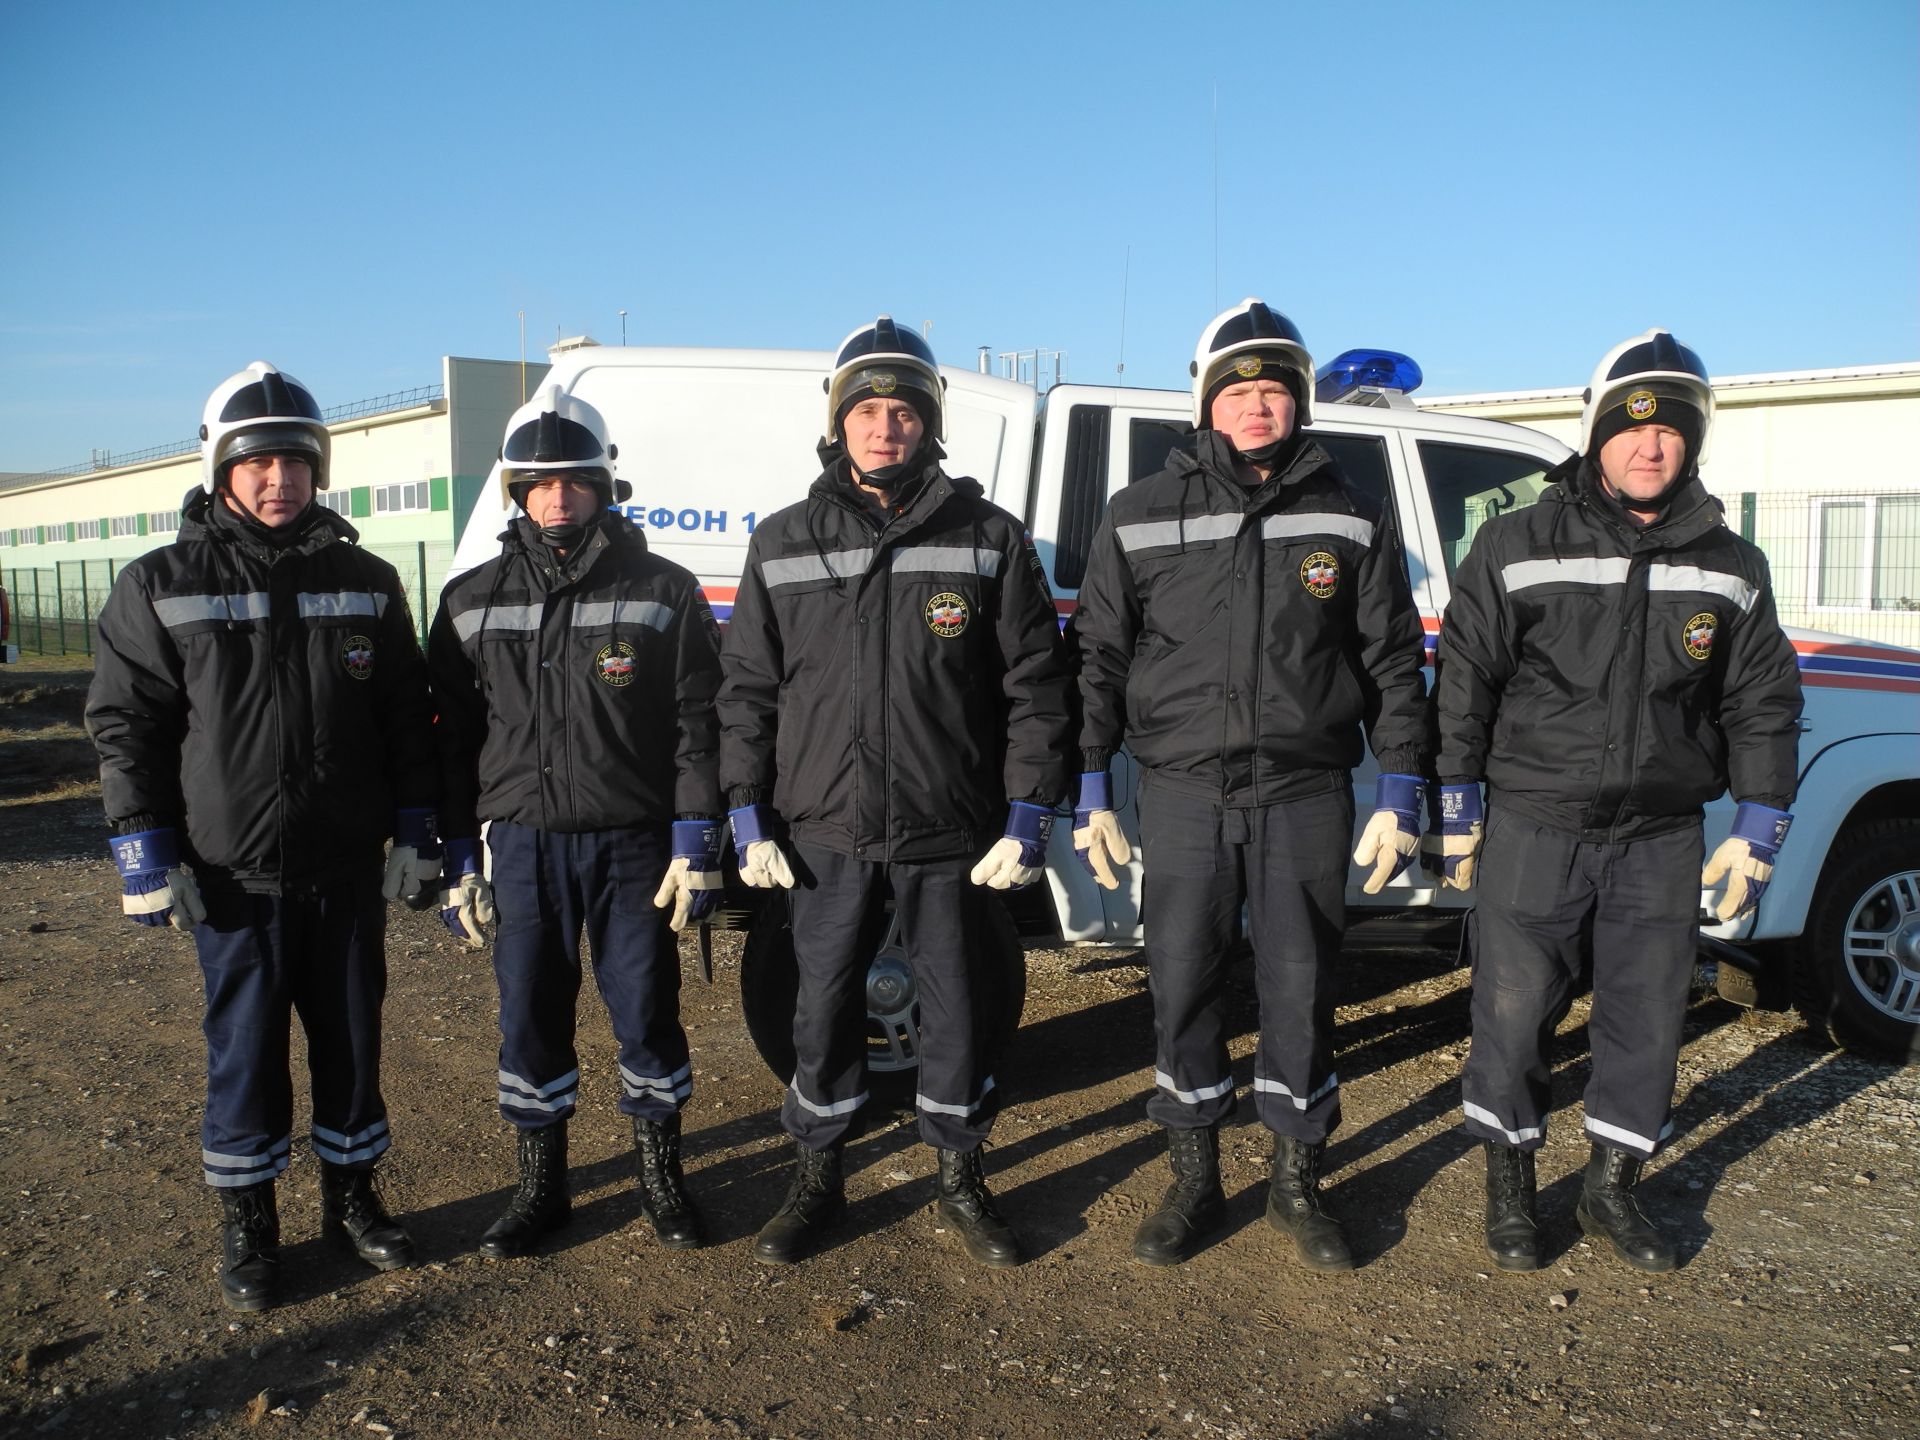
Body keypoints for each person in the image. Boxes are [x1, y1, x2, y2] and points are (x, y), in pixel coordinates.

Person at [1072, 299, 1433, 1272]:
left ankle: (1296, 1180)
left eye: (1276, 390)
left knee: (1302, 987)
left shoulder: (1348, 509)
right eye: (1240, 389)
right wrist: (1090, 785)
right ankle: (1194, 1178)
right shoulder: (1140, 513)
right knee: (1182, 985)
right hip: (1184, 792)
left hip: (1304, 794)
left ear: (1298, 403)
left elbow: (1394, 659)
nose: (1259, 405)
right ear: (1207, 403)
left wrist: (1401, 786)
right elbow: (1098, 658)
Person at [1432, 329, 1802, 1273]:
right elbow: (1467, 675)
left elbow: (1761, 701)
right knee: (1513, 1014)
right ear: (1597, 435)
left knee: (1645, 1021)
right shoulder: (1517, 543)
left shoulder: (1733, 564)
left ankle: (1609, 1189)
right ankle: (1512, 1185)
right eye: (1632, 430)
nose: (1651, 447)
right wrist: (1456, 801)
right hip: (1537, 824)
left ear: (1692, 444)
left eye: (1672, 433)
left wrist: (1759, 822)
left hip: (1660, 836)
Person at [717, 316, 1072, 1268]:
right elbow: (747, 690)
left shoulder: (989, 538)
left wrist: (1029, 814)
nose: (885, 427)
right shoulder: (783, 541)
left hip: (948, 829)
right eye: (867, 410)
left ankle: (960, 1176)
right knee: (821, 1003)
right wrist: (746, 812)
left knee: (958, 1007)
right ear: (839, 424)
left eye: (904, 411)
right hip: (820, 830)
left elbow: (1037, 686)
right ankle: (817, 1177)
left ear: (929, 425)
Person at [86, 362, 437, 1311]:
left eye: (296, 461)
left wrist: (415, 830)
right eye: (260, 463)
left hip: (343, 869)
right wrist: (144, 848)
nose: (280, 479)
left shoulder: (366, 581)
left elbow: (407, 715)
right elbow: (127, 724)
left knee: (352, 1045)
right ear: (222, 470)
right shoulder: (161, 583)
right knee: (244, 1050)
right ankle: (250, 1221)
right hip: (230, 874)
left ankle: (353, 1200)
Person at [427, 384, 725, 1258]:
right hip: (521, 844)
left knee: (646, 1010)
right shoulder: (469, 599)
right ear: (517, 492)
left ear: (605, 486)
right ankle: (540, 1187)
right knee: (529, 1014)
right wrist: (457, 855)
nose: (558, 499)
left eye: (576, 482)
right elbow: (447, 740)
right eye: (539, 484)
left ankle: (662, 1177)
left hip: (634, 846)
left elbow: (698, 722)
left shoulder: (663, 591)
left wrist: (695, 839)